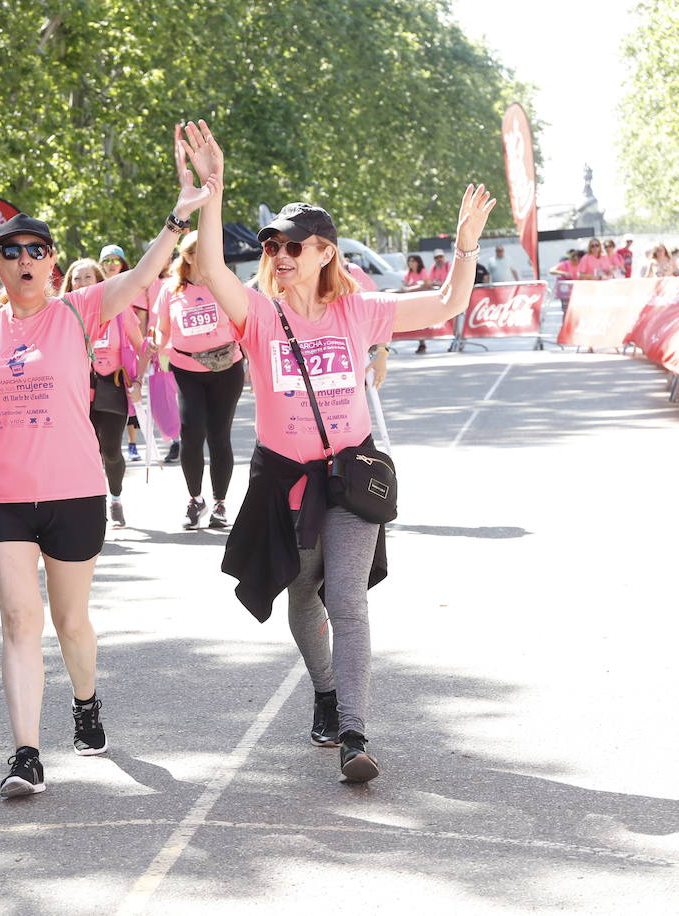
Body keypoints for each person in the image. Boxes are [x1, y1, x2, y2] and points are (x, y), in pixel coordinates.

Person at [0, 141, 213, 796]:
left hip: (75, 493)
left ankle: (85, 703)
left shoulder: (78, 311)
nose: (25, 260)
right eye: (11, 251)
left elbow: (142, 274)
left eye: (37, 250)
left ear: (52, 264)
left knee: (70, 622)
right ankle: (26, 753)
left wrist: (179, 216)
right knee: (21, 621)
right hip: (1, 497)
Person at [182, 119, 496, 784]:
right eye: (273, 244)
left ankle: (354, 731)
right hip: (285, 480)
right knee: (303, 597)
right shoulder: (260, 316)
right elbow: (210, 267)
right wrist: (214, 188)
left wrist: (465, 248)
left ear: (325, 251)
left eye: (294, 244)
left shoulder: (359, 313)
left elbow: (447, 302)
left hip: (350, 478)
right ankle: (324, 689)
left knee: (347, 599)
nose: (280, 253)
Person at [154, 230, 244, 530]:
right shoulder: (171, 289)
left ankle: (219, 503)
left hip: (226, 368)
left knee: (220, 436)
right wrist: (155, 344)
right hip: (186, 368)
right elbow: (162, 329)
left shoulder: (225, 283)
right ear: (189, 256)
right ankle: (195, 499)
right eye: (202, 253)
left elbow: (244, 322)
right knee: (191, 433)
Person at [62, 258, 146, 528]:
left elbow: (141, 346)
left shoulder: (119, 310)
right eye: (77, 278)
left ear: (99, 282)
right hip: (77, 390)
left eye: (88, 277)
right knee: (83, 451)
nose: (82, 282)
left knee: (110, 450)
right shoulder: (61, 313)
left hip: (112, 386)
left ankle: (116, 497)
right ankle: (91, 504)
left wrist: (139, 381)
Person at [99, 244, 151, 461]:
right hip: (98, 365)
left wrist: (144, 352)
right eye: (107, 260)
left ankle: (131, 443)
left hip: (125, 354)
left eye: (115, 260)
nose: (111, 265)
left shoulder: (133, 286)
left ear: (122, 263)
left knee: (129, 405)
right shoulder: (96, 290)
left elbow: (140, 323)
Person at [402, 255, 432, 353]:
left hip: (421, 301)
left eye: (413, 261)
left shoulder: (422, 271)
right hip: (412, 301)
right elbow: (405, 284)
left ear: (418, 262)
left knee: (421, 322)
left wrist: (411, 288)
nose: (411, 263)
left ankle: (422, 343)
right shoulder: (409, 273)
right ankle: (421, 342)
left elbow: (427, 284)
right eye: (409, 261)